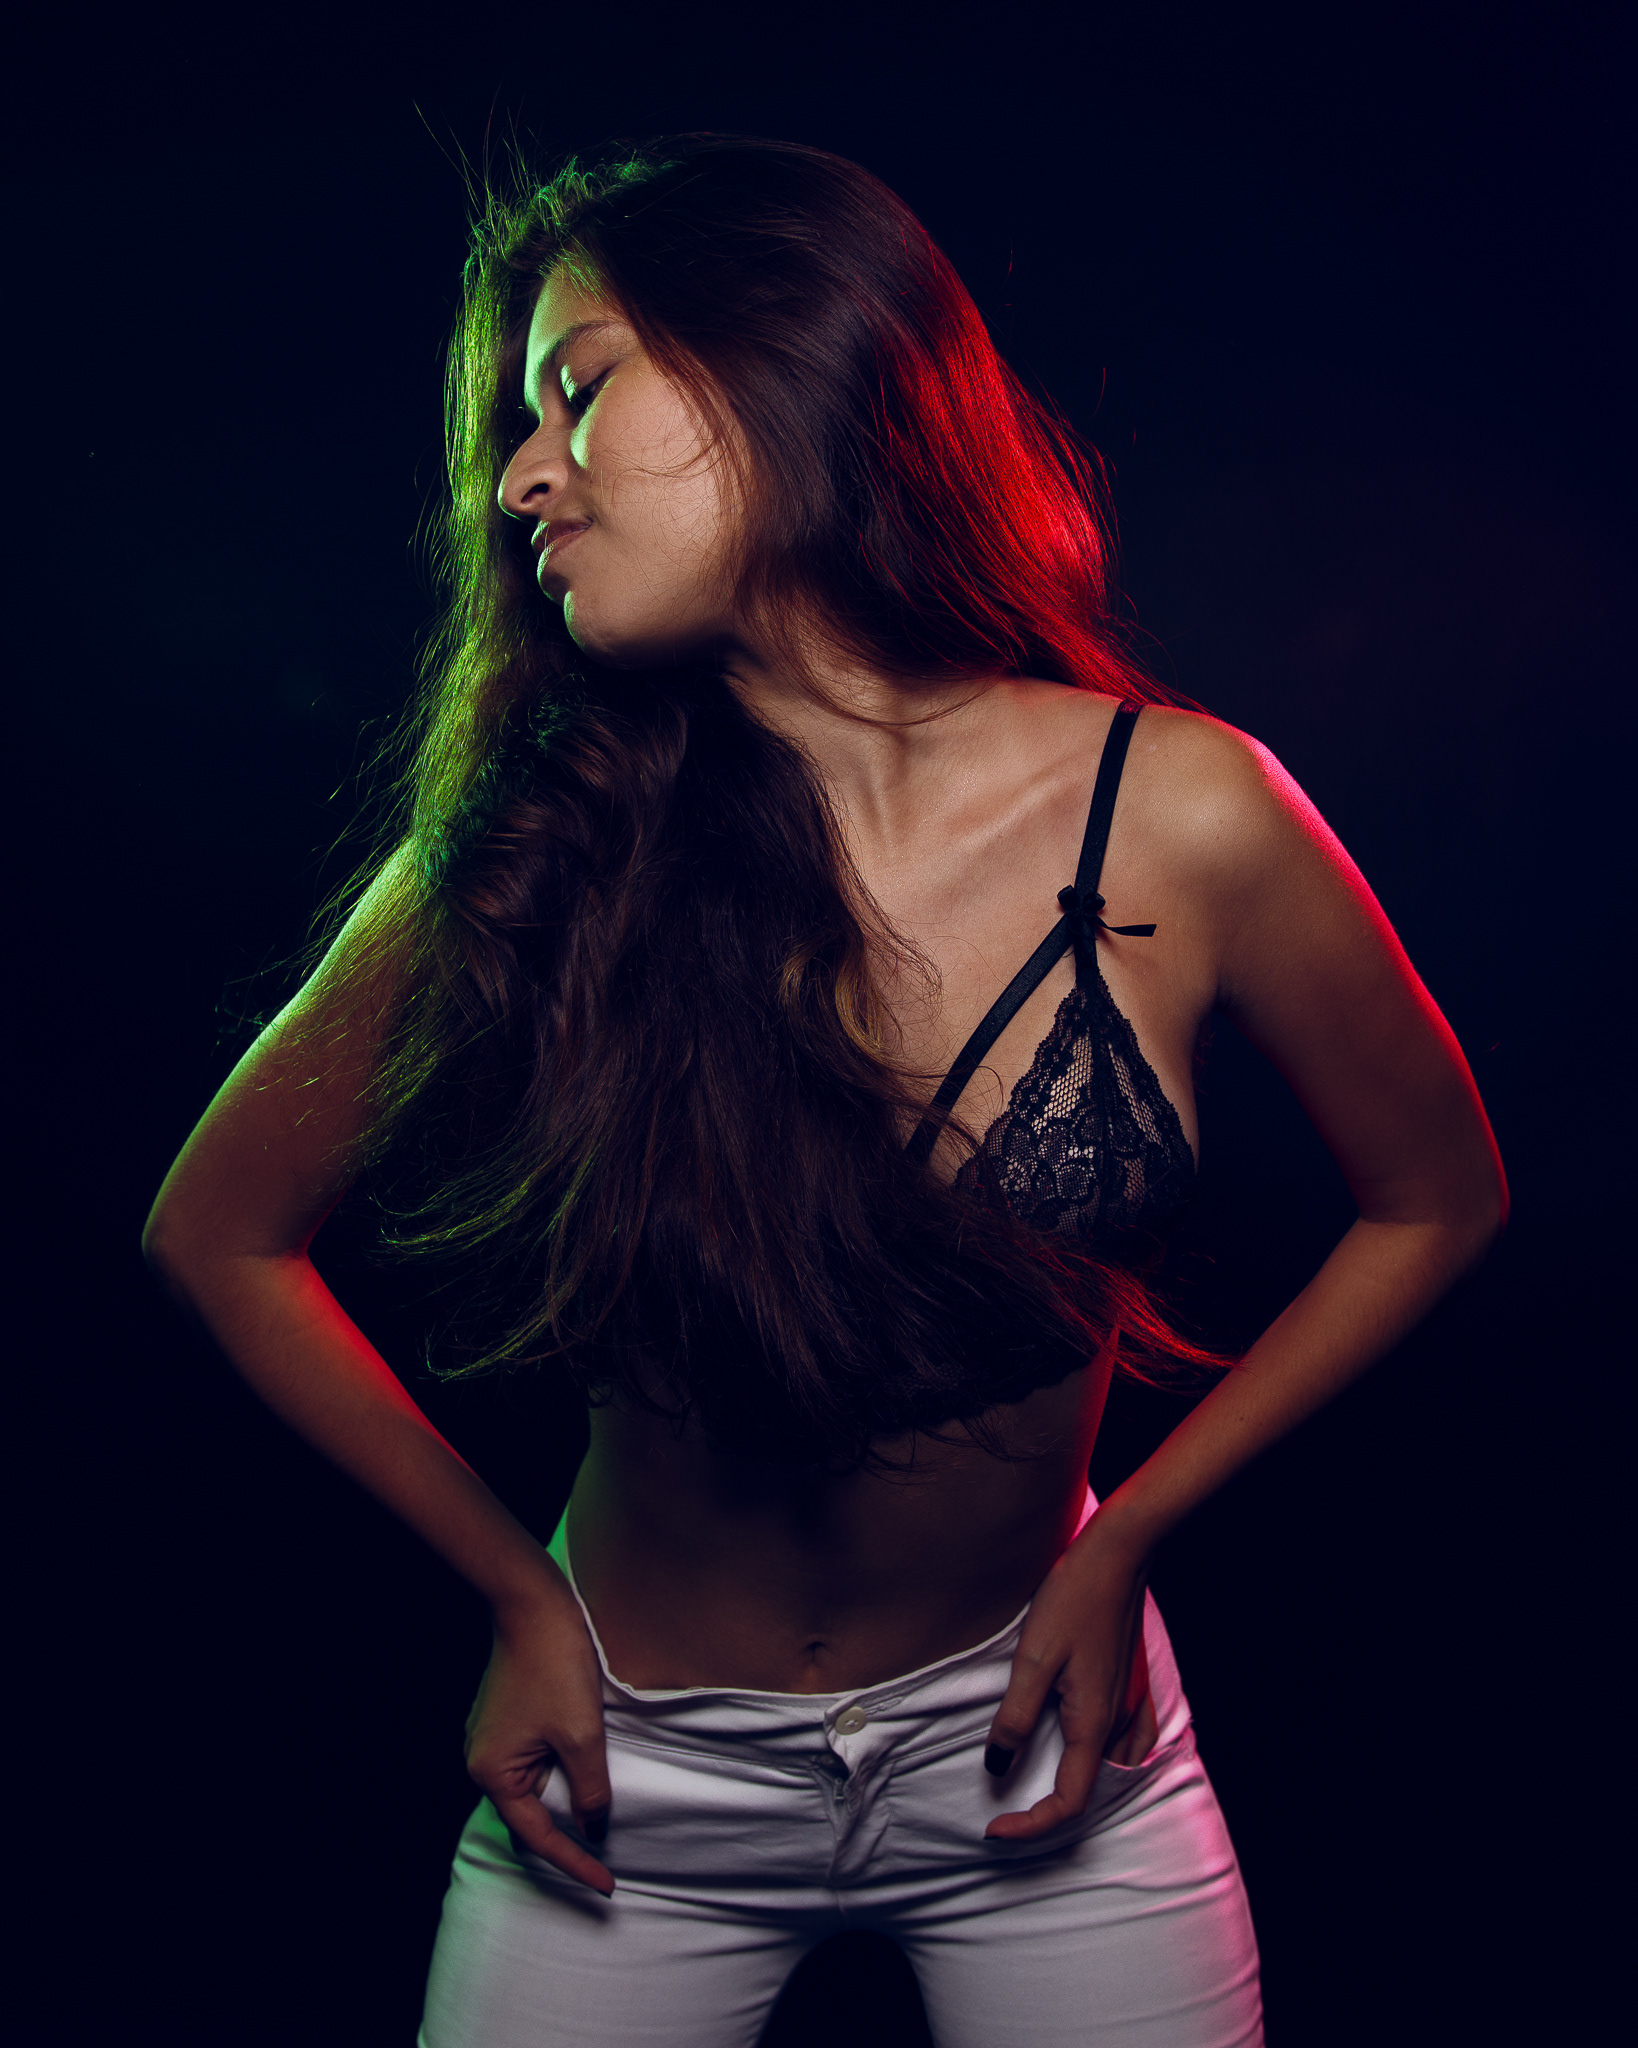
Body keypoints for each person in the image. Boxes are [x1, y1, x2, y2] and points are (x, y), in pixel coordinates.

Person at [143, 137, 1506, 2048]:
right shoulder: (536, 845)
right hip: (634, 1780)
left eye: (576, 389)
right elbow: (218, 1234)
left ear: (784, 358)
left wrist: (1123, 1538)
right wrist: (517, 1599)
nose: (519, 479)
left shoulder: (1183, 809)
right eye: (512, 431)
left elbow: (1437, 1195)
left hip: (1044, 1748)